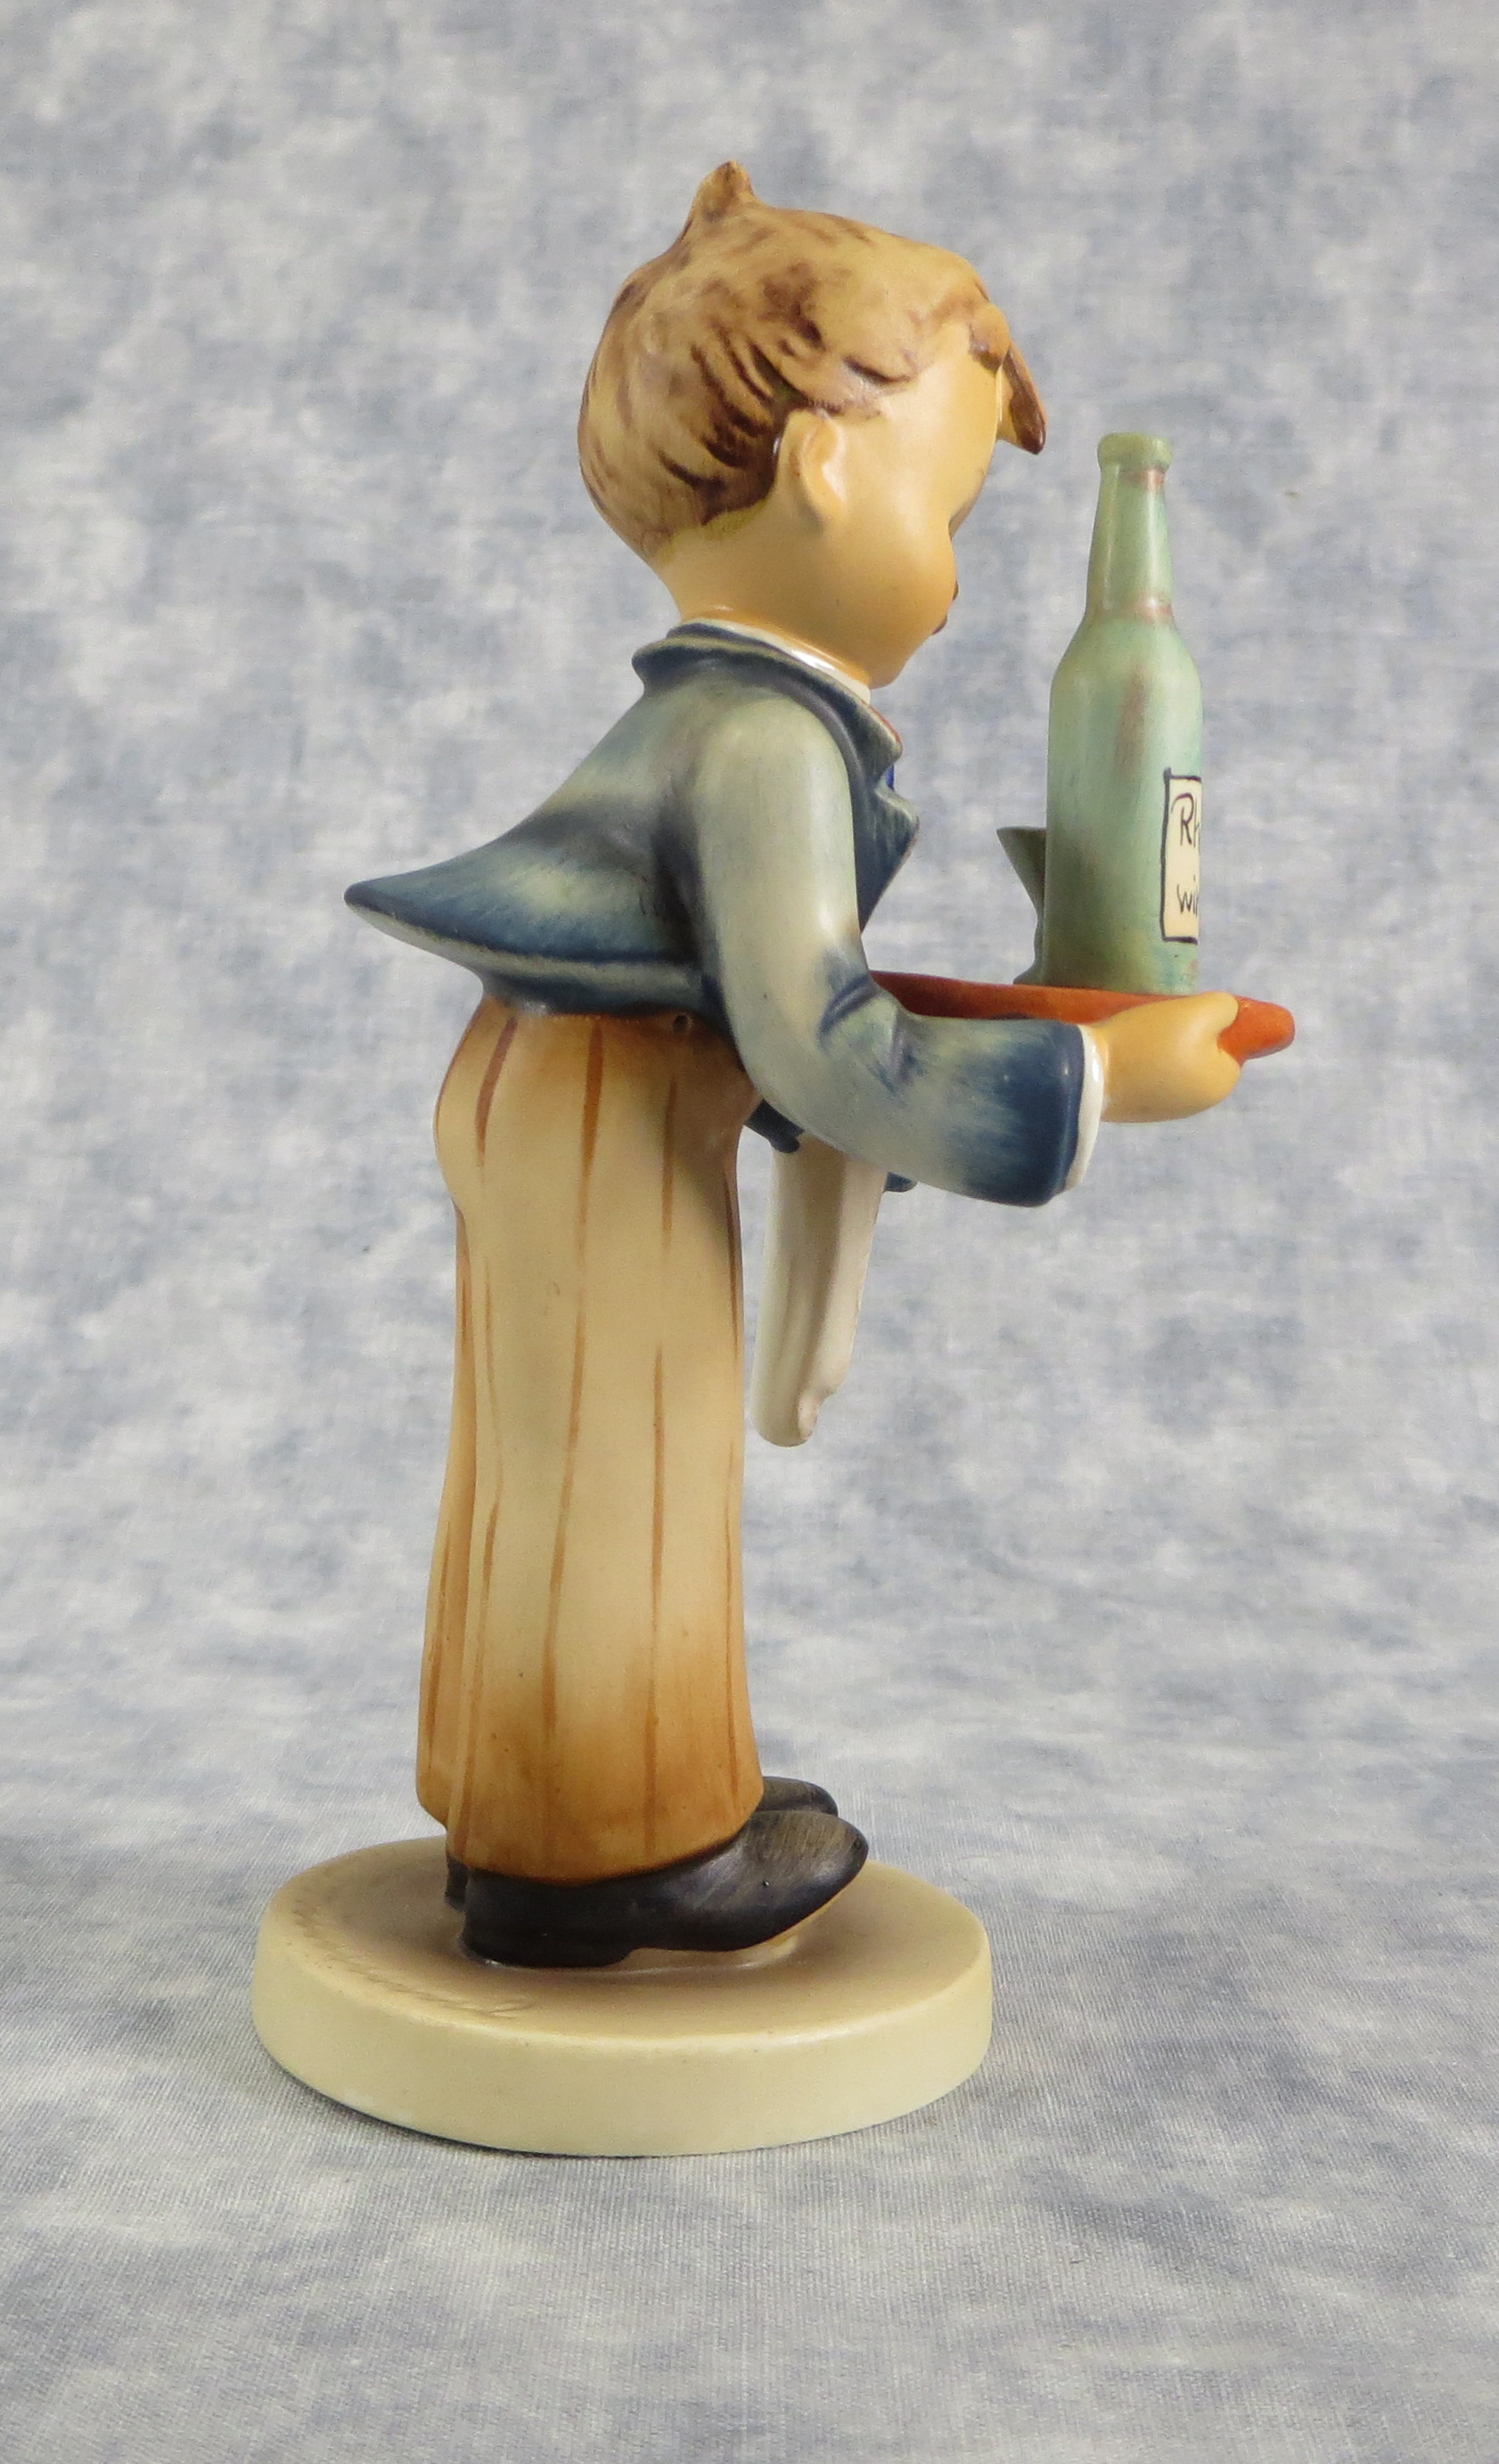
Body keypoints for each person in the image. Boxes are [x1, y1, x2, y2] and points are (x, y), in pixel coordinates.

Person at [347, 164, 1242, 1966]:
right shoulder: (763, 738)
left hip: (577, 1100)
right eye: (954, 514)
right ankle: (601, 1846)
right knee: (621, 1455)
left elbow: (782, 1000)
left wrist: (967, 1030)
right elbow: (820, 1045)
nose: (960, 580)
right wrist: (1096, 1085)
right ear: (827, 468)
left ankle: (560, 1801)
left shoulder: (731, 714)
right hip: (606, 1127)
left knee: (560, 1449)